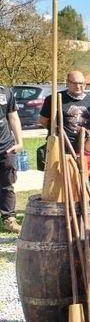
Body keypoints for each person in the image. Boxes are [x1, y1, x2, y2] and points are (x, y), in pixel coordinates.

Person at [38, 70, 90, 150]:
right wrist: (56, 131)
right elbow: (43, 120)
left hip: (83, 147)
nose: (78, 86)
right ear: (68, 83)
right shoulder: (53, 99)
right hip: (59, 146)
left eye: (81, 83)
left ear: (85, 84)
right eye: (74, 83)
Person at [0, 84, 23, 232]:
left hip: (5, 146)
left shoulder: (5, 91)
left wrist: (19, 141)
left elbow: (13, 117)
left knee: (7, 184)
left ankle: (9, 219)